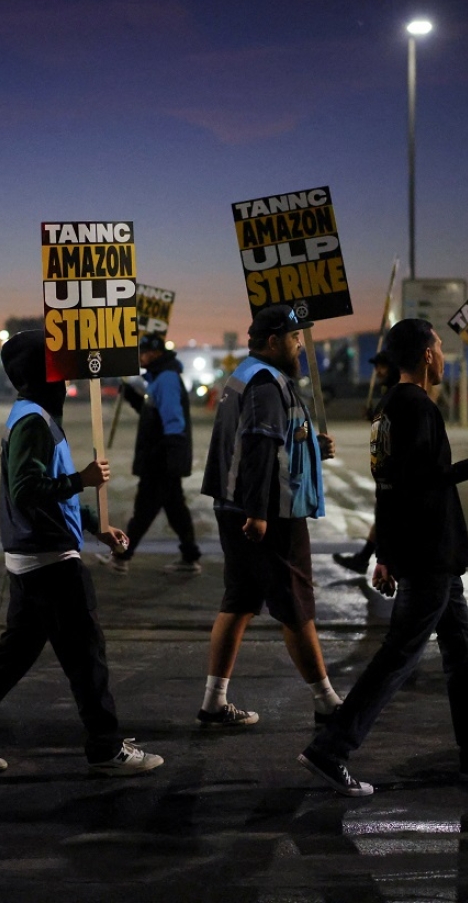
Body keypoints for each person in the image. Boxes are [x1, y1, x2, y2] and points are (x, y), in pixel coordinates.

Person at [300, 318, 468, 797]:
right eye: (442, 346)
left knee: (464, 653)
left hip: (429, 557)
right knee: (399, 656)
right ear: (427, 355)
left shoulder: (387, 410)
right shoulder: (419, 407)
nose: (445, 354)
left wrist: (384, 553)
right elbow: (425, 481)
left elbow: (389, 488)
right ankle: (332, 747)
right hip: (431, 555)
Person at [0, 330, 164, 776]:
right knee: (86, 654)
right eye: (56, 363)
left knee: (14, 656)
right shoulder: (33, 421)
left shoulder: (33, 414)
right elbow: (27, 490)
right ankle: (105, 747)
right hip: (48, 559)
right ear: (41, 372)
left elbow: (49, 488)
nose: (64, 372)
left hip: (35, 556)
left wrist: (97, 527)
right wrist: (83, 479)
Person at [197, 304, 343, 731]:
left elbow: (273, 440)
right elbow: (259, 447)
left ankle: (213, 702)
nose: (301, 346)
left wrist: (312, 446)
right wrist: (258, 513)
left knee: (240, 600)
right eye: (296, 339)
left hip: (235, 507)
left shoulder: (247, 375)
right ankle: (327, 702)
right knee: (295, 603)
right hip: (268, 513)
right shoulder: (265, 383)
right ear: (275, 340)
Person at [106, 332, 201, 574]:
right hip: (162, 458)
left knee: (144, 509)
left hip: (160, 460)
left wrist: (169, 457)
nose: (139, 357)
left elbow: (172, 421)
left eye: (143, 352)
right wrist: (130, 396)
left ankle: (122, 556)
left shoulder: (166, 378)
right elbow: (153, 414)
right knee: (175, 508)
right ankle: (190, 557)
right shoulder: (159, 378)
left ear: (155, 353)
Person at [333, 351, 401, 575]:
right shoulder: (389, 393)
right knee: (384, 514)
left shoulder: (400, 394)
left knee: (390, 517)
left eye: (382, 366)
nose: (378, 371)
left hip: (399, 471)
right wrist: (373, 416)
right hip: (388, 470)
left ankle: (385, 564)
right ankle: (365, 558)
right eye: (376, 367)